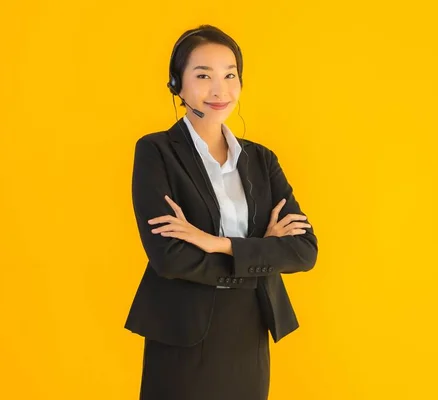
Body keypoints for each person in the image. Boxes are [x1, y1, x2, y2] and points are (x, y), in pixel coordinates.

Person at [123, 25, 318, 400]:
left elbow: (304, 250)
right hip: (183, 332)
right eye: (203, 76)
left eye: (230, 75)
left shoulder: (261, 159)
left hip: (248, 330)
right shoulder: (156, 152)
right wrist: (260, 250)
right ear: (176, 84)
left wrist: (216, 243)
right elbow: (170, 258)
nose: (220, 89)